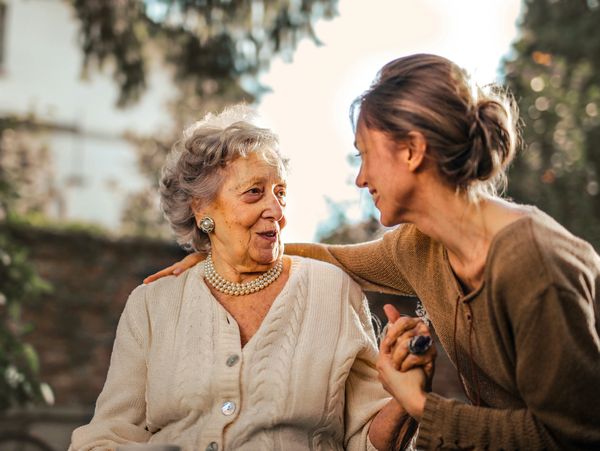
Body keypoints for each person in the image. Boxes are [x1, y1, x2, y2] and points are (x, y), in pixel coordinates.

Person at [146, 55, 600, 450]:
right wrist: (224, 255)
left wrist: (419, 404)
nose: (361, 179)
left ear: (412, 151)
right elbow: (334, 258)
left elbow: (572, 436)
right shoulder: (421, 247)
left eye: (365, 154)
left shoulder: (533, 264)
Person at [70, 106, 435, 451]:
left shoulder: (333, 291)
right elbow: (107, 435)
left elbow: (367, 441)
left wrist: (406, 399)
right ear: (202, 209)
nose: (276, 211)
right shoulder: (152, 304)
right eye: (254, 193)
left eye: (281, 193)